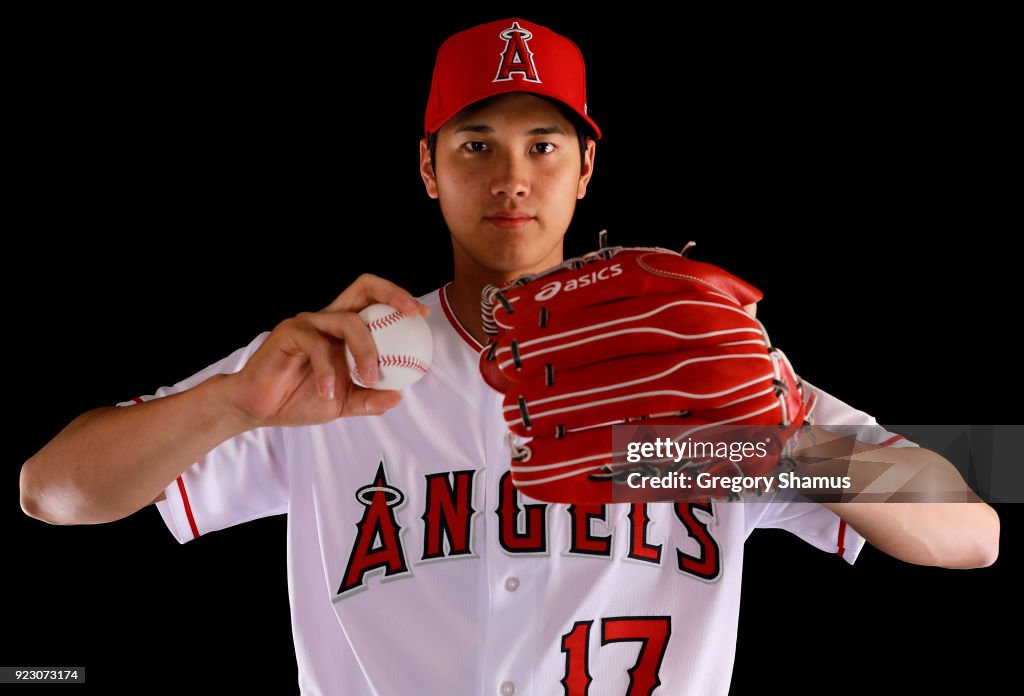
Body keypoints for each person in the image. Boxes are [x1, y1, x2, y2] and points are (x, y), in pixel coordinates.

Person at [20, 17, 999, 695]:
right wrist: (233, 401)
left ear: (585, 168)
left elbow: (971, 528)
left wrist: (776, 446)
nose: (512, 177)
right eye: (475, 144)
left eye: (542, 144)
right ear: (426, 167)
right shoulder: (349, 360)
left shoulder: (685, 359)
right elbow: (51, 491)